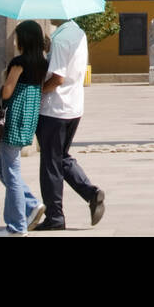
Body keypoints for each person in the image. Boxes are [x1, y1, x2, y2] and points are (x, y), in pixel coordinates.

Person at [34, 17, 105, 231]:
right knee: (60, 157)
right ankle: (91, 193)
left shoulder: (61, 39)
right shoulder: (78, 33)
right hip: (74, 106)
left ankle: (55, 217)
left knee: (50, 164)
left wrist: (37, 93)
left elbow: (57, 78)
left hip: (55, 109)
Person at [0, 20, 48, 236]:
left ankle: (17, 227)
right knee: (2, 169)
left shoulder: (19, 62)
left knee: (11, 172)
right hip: (28, 117)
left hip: (14, 118)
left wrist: (2, 83)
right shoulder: (42, 63)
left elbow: (8, 91)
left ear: (23, 38)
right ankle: (31, 204)